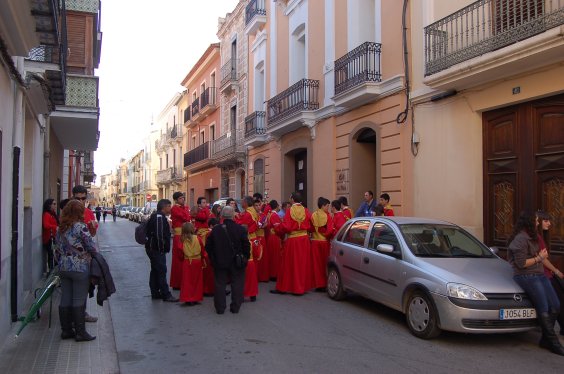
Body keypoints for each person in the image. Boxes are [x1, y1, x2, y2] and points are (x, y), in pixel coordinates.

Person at [507, 211, 564, 356]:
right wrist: (539, 258)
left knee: (555, 305)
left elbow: (543, 258)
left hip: (539, 275)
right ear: (529, 222)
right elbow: (521, 264)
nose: (538, 223)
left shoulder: (534, 237)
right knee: (543, 307)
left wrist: (556, 271)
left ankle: (545, 339)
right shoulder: (520, 239)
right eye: (537, 220)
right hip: (527, 276)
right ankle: (553, 342)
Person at [55, 200, 97, 342]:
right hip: (79, 267)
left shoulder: (59, 228)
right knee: (78, 299)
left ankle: (66, 331)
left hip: (63, 266)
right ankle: (80, 332)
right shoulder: (80, 227)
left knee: (65, 297)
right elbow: (91, 246)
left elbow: (57, 248)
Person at [206, 206, 250, 314]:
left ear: (222, 216)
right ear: (233, 215)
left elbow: (208, 246)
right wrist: (245, 258)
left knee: (220, 284)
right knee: (237, 284)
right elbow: (246, 245)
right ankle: (235, 307)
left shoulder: (216, 229)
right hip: (236, 261)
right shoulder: (240, 229)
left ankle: (220, 308)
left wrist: (213, 258)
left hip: (220, 261)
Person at [271, 192, 313, 296]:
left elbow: (286, 227)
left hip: (293, 240)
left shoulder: (290, 210)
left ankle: (284, 287)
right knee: (302, 264)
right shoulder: (306, 210)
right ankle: (300, 288)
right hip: (304, 239)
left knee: (287, 264)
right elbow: (312, 224)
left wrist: (277, 228)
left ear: (293, 199)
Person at [536, 210, 564, 336]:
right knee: (557, 302)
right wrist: (557, 271)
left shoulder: (541, 237)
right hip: (544, 276)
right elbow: (543, 260)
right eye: (546, 221)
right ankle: (548, 333)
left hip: (547, 275)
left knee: (559, 300)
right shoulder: (537, 237)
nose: (549, 223)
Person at [145, 199, 178, 302]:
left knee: (155, 271)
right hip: (156, 249)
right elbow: (159, 235)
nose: (170, 208)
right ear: (164, 207)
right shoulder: (159, 217)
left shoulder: (158, 216)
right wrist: (161, 249)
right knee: (161, 271)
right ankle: (166, 294)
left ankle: (155, 293)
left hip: (153, 248)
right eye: (169, 206)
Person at [236, 196, 260, 301]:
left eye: (242, 201)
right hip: (253, 238)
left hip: (247, 239)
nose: (241, 203)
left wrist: (235, 217)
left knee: (244, 268)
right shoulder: (253, 212)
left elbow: (241, 225)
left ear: (246, 203)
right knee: (252, 268)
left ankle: (245, 292)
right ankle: (253, 293)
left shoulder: (247, 214)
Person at [311, 197, 334, 291]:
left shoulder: (313, 215)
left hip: (314, 242)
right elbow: (329, 231)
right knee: (325, 263)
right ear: (323, 205)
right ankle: (324, 283)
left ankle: (318, 284)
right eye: (327, 206)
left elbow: (311, 228)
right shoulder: (327, 216)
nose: (328, 208)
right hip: (324, 242)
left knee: (316, 264)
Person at [179, 222, 204, 306]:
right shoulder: (198, 238)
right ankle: (196, 298)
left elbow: (180, 252)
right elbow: (203, 249)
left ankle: (188, 298)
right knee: (197, 280)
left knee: (187, 280)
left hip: (187, 261)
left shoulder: (182, 239)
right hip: (197, 261)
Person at [170, 192, 191, 290]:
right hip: (178, 235)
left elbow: (187, 217)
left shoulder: (183, 208)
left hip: (184, 233)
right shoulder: (174, 208)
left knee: (185, 257)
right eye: (181, 198)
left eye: (183, 198)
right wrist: (186, 210)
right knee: (178, 259)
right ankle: (177, 283)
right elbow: (186, 217)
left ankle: (184, 281)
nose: (183, 200)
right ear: (176, 200)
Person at [265, 200, 283, 280]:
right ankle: (274, 274)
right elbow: (278, 228)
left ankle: (271, 273)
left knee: (271, 255)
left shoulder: (269, 214)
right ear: (276, 206)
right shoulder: (275, 215)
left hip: (270, 236)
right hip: (275, 237)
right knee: (275, 256)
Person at [254, 199, 270, 283]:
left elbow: (266, 225)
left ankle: (263, 276)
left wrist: (265, 224)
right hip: (255, 237)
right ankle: (255, 276)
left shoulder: (264, 215)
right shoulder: (252, 215)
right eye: (256, 205)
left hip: (261, 236)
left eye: (259, 205)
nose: (258, 207)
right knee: (256, 257)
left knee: (262, 257)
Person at [42, 198, 59, 273]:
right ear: (49, 205)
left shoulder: (53, 214)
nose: (55, 205)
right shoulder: (47, 214)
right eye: (54, 204)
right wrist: (55, 227)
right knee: (51, 255)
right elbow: (46, 225)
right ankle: (51, 271)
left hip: (54, 237)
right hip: (49, 238)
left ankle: (54, 270)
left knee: (54, 254)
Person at [203, 218, 219, 296]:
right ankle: (209, 290)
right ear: (211, 226)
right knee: (210, 274)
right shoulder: (209, 233)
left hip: (210, 254)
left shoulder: (209, 232)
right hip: (210, 255)